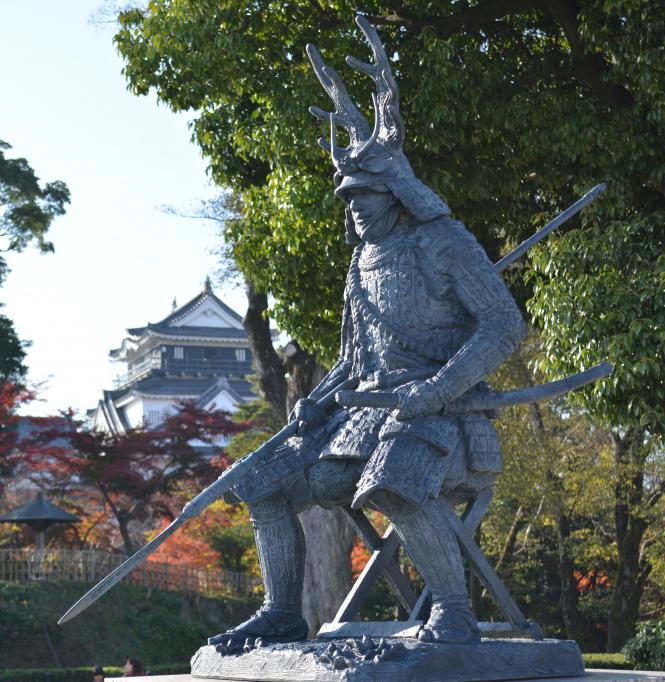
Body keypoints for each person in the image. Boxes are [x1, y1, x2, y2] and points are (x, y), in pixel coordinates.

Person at [211, 17, 525, 650]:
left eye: (366, 193)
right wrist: (316, 399)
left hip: (444, 419)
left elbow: (503, 326)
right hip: (361, 420)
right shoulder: (360, 263)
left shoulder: (444, 242)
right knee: (262, 483)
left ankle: (455, 614)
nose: (354, 205)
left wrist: (438, 389)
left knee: (393, 483)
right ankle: (281, 613)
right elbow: (356, 359)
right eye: (348, 195)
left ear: (395, 191)